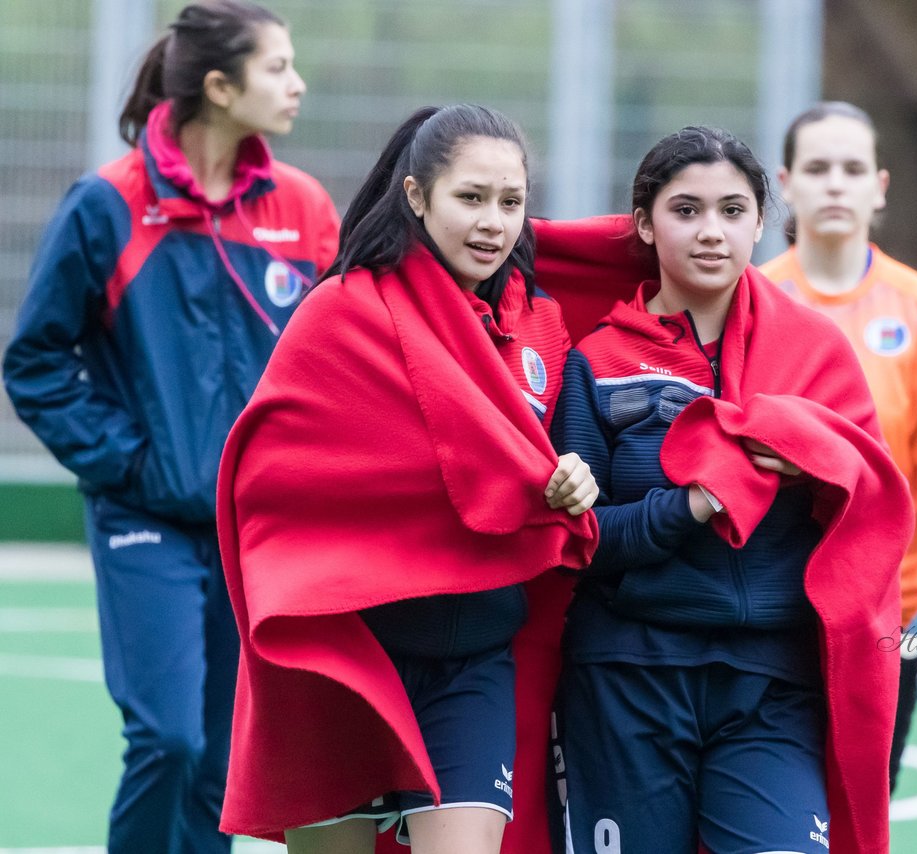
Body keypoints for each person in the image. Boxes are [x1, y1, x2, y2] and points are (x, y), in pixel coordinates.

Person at [215, 104, 600, 854]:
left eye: (511, 203)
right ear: (417, 196)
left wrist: (571, 484)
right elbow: (273, 477)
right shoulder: (340, 313)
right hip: (347, 660)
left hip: (474, 664)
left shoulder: (543, 327)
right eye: (471, 198)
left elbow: (546, 464)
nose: (493, 223)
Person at [1, 3, 338, 851]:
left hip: (255, 532)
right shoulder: (106, 205)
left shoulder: (303, 209)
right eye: (278, 68)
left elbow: (344, 359)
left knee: (223, 765)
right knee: (168, 738)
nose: (297, 85)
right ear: (220, 87)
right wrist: (132, 463)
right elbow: (35, 362)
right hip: (144, 517)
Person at [546, 127, 915, 854]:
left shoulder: (816, 353)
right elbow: (582, 542)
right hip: (626, 679)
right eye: (685, 211)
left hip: (771, 684)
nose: (710, 232)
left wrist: (814, 466)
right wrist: (695, 501)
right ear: (646, 225)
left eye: (732, 210)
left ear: (761, 221)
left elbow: (869, 511)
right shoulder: (599, 361)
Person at [760, 101, 917, 792]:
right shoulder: (755, 300)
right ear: (786, 183)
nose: (836, 183)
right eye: (819, 168)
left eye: (852, 168)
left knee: (862, 813)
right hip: (767, 612)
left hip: (892, 618)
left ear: (879, 186)